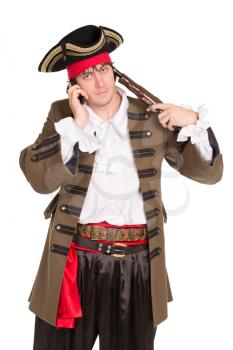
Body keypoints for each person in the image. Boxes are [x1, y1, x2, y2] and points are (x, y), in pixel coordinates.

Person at [19, 25, 224, 350]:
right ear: (74, 86)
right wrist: (76, 126)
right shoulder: (64, 116)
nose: (100, 82)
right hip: (75, 264)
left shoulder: (152, 115)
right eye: (87, 75)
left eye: (103, 69)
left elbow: (209, 174)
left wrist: (194, 123)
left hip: (138, 267)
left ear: (114, 69)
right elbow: (37, 177)